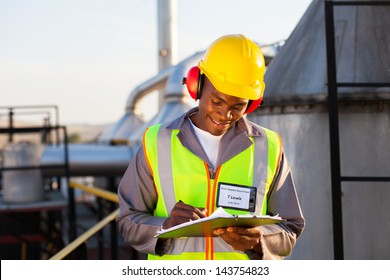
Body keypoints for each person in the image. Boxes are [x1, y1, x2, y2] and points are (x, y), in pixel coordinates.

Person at [116, 34, 305, 260]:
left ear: (252, 103)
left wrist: (260, 239)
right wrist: (165, 227)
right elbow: (128, 220)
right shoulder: (156, 142)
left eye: (238, 106)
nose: (225, 114)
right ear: (197, 85)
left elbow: (290, 227)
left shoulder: (269, 147)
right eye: (217, 101)